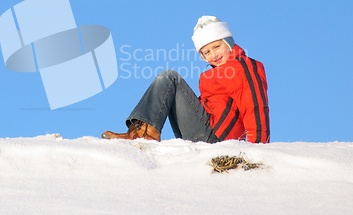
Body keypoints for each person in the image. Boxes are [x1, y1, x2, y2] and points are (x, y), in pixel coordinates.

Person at [102, 16, 270, 144]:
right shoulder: (212, 75)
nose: (214, 55)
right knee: (171, 88)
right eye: (206, 52)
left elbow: (254, 106)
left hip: (217, 139)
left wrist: (259, 149)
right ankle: (138, 132)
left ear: (228, 43)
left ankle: (144, 134)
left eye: (217, 47)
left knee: (169, 78)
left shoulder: (242, 67)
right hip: (203, 135)